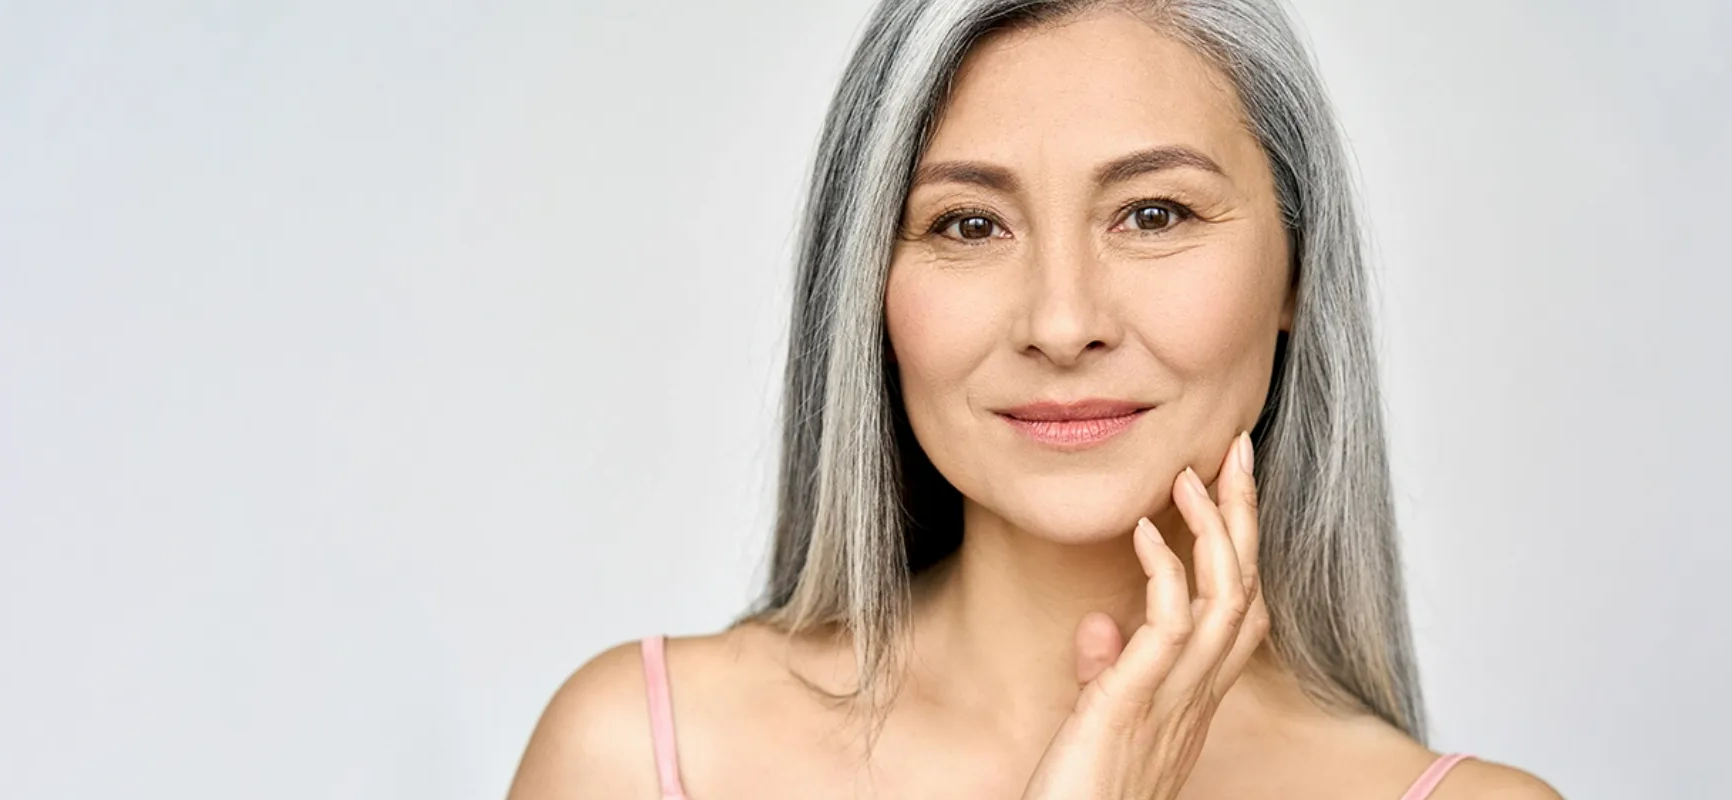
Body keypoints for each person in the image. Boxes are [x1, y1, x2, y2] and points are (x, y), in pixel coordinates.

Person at [510, 1, 1557, 797]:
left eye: (1152, 212)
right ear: (867, 284)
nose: (1061, 322)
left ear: (1296, 269)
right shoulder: (638, 755)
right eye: (968, 224)